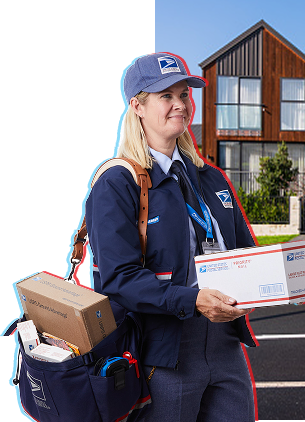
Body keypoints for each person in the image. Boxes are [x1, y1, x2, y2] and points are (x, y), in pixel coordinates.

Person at [85, 53, 258, 421]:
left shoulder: (211, 178)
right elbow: (119, 279)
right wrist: (193, 300)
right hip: (163, 352)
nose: (180, 104)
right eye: (166, 95)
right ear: (138, 107)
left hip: (227, 344)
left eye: (184, 94)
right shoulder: (117, 183)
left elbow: (246, 251)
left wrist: (285, 280)